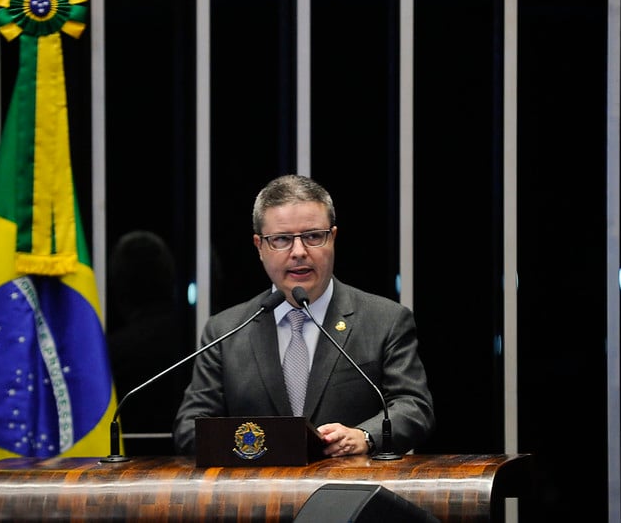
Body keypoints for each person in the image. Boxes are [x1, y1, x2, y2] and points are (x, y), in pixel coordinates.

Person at [172, 174, 435, 457]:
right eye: (282, 239)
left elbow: (414, 407)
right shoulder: (225, 330)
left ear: (332, 238)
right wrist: (255, 447)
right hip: (259, 496)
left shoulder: (385, 320)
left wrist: (364, 436)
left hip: (351, 494)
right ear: (260, 246)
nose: (299, 252)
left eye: (312, 236)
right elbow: (190, 428)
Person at [107, 230, 190, 453]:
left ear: (118, 287)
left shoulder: (112, 351)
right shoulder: (195, 336)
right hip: (188, 466)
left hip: (126, 468)